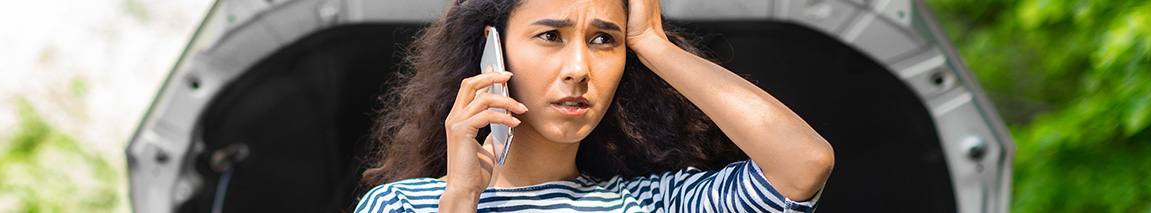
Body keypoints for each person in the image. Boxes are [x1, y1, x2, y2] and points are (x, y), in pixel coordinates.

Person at [354, 0, 834, 212]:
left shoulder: (653, 204)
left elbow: (802, 165)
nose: (579, 68)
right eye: (550, 36)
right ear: (491, 50)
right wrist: (459, 199)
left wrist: (654, 43)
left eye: (605, 39)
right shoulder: (400, 206)